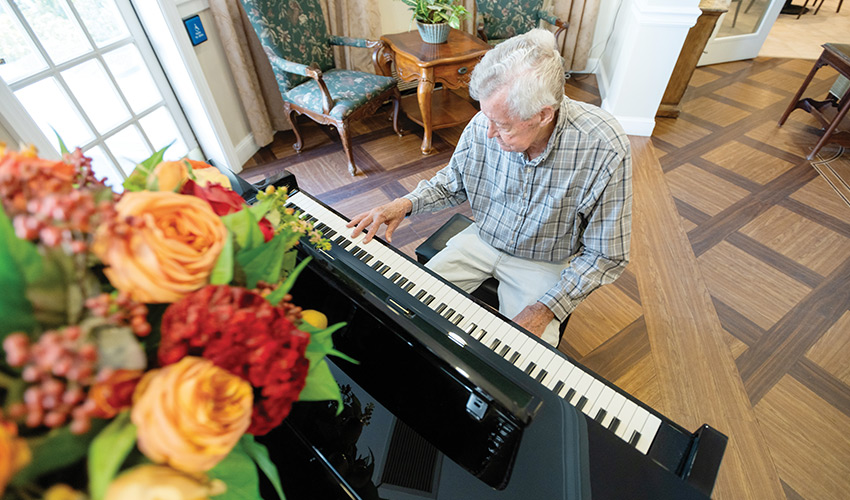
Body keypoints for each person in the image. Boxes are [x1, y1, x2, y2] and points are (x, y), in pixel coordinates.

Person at [347, 28, 632, 347]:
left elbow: (607, 254)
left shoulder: (603, 146)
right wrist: (405, 203)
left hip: (544, 260)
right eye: (487, 117)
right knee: (403, 306)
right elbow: (453, 182)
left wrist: (546, 308)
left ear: (542, 115)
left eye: (504, 125)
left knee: (523, 360)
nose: (489, 133)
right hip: (481, 238)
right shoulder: (487, 122)